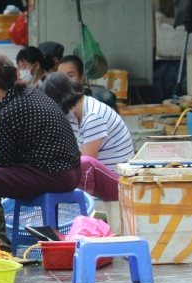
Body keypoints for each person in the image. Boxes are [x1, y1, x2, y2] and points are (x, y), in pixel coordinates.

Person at [0, 54, 82, 248]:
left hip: (56, 174)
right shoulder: (28, 94)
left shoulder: (12, 108)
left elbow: (1, 162)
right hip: (69, 170)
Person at [41, 73, 134, 201]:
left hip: (120, 183)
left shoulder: (94, 116)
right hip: (103, 179)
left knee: (84, 164)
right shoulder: (74, 117)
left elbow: (85, 166)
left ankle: (83, 206)